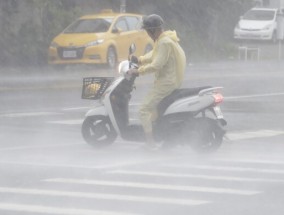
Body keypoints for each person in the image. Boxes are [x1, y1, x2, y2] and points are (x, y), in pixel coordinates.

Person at [128, 14, 186, 149]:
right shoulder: (165, 39)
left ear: (153, 30)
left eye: (148, 31)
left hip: (166, 83)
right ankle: (160, 134)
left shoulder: (164, 42)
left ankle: (150, 143)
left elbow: (156, 65)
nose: (147, 34)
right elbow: (155, 55)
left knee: (143, 110)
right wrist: (140, 59)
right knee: (154, 111)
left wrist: (138, 71)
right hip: (170, 81)